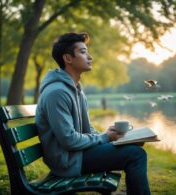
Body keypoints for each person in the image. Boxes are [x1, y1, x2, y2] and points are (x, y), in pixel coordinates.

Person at [35, 32, 150, 195]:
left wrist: (111, 137)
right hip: (68, 162)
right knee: (136, 155)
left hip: (77, 155)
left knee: (133, 147)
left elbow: (87, 129)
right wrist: (104, 138)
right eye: (83, 52)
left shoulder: (76, 90)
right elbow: (69, 140)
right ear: (68, 59)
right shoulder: (57, 93)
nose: (90, 57)